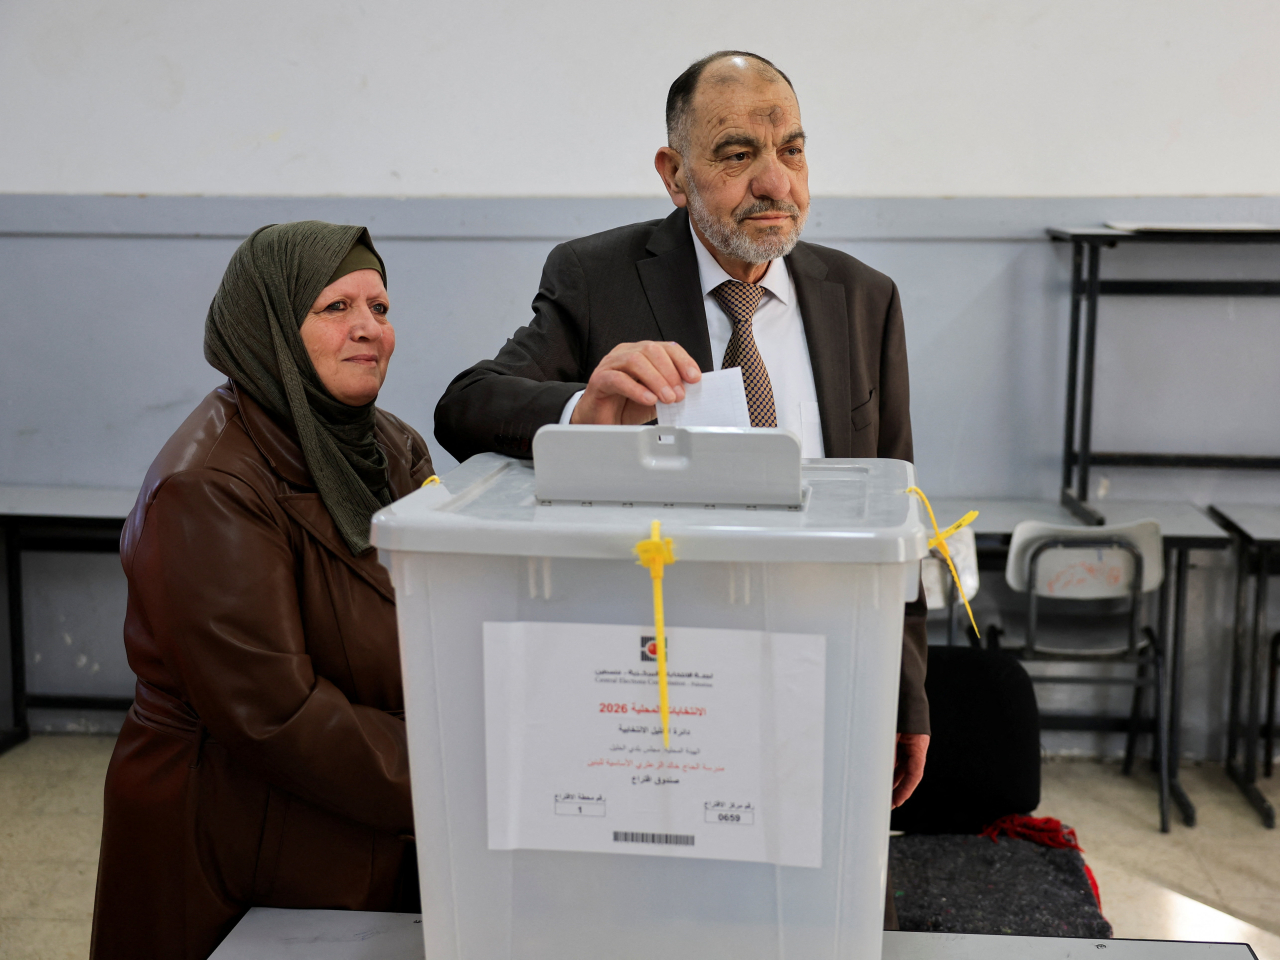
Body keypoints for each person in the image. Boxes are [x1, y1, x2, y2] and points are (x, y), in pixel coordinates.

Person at [434, 51, 928, 927]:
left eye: (794, 149)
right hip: (652, 680)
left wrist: (906, 689)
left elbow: (898, 502)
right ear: (674, 175)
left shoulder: (864, 299)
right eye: (737, 154)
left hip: (817, 661)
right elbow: (466, 405)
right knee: (655, 915)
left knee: (806, 910)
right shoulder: (596, 276)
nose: (776, 181)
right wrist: (586, 403)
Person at [90, 221, 434, 960]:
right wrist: (453, 771)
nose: (369, 328)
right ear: (271, 324)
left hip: (355, 814)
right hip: (233, 841)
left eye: (379, 307)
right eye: (335, 308)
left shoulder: (390, 444)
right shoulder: (206, 484)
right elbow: (276, 714)